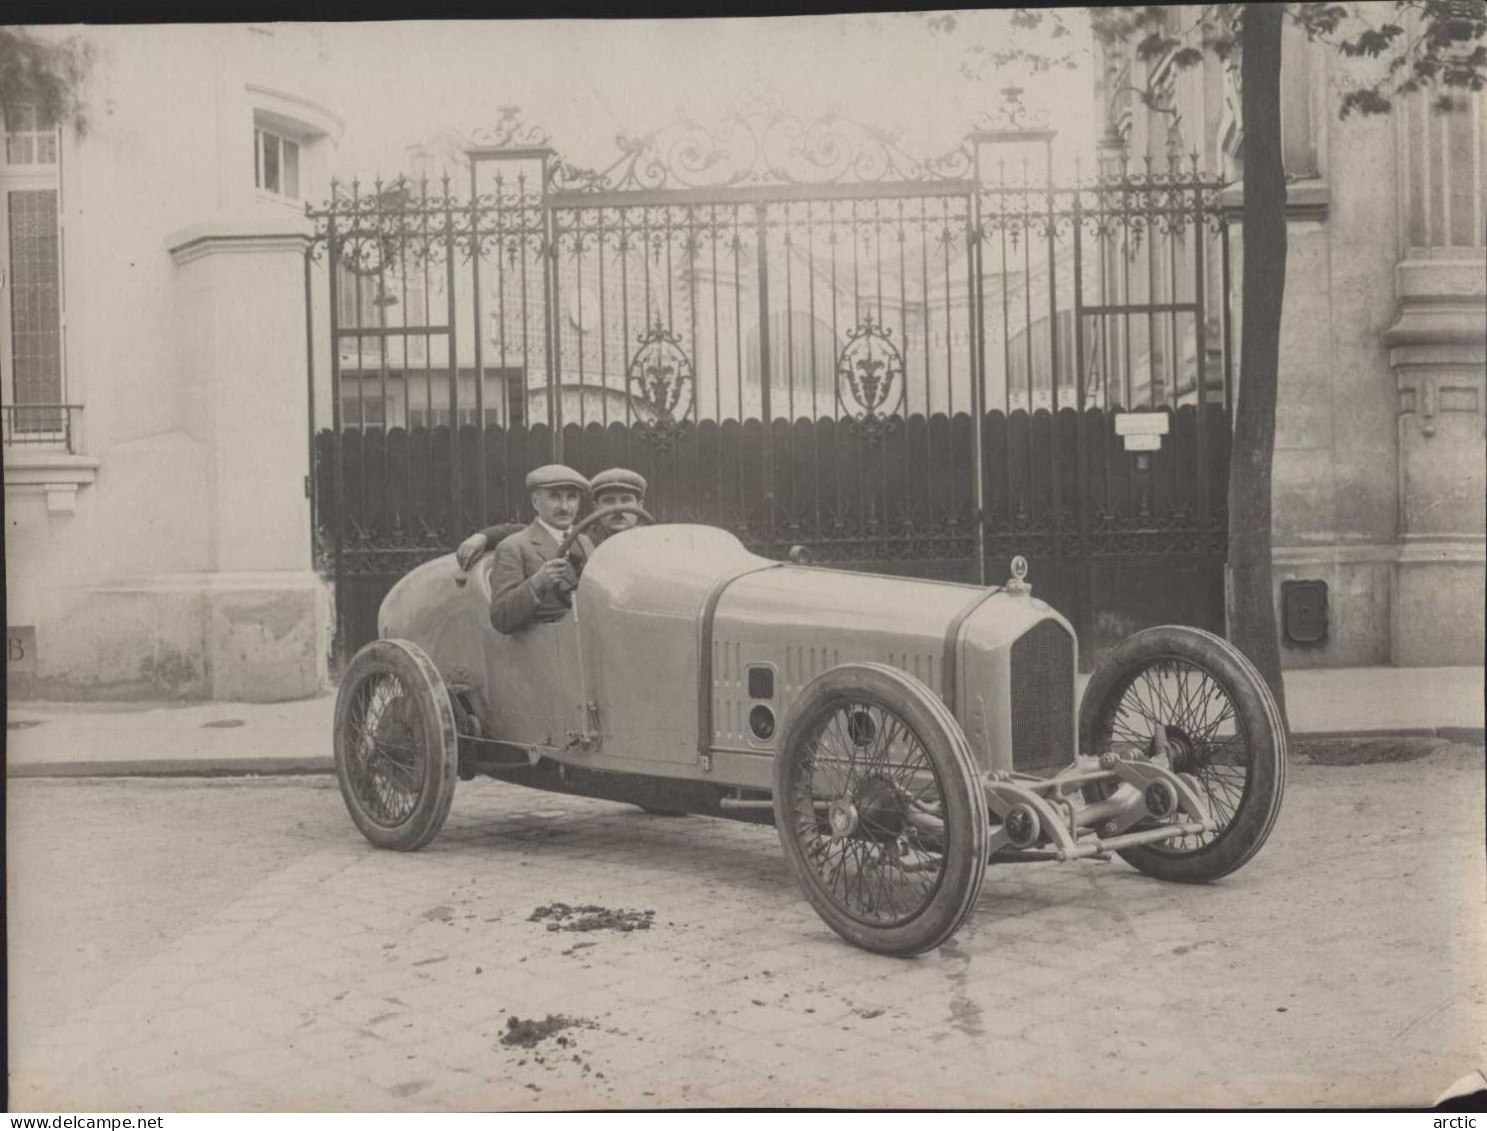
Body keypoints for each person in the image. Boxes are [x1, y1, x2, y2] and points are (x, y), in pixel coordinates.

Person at [486, 464, 595, 635]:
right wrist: (538, 581)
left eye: (571, 497)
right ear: (536, 502)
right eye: (555, 497)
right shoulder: (514, 547)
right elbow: (501, 618)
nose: (565, 507)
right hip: (547, 649)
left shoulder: (585, 542)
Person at [586, 467, 648, 545]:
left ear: (639, 506)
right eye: (609, 501)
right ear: (596, 508)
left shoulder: (651, 541)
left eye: (626, 500)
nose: (618, 509)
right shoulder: (583, 545)